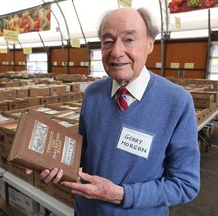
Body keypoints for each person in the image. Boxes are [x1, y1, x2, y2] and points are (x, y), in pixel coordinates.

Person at [27, 7, 200, 215]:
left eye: (129, 40)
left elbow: (185, 184)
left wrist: (119, 194)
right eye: (108, 41)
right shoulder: (93, 94)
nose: (116, 52)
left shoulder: (177, 102)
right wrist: (52, 162)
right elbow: (84, 151)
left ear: (150, 44)